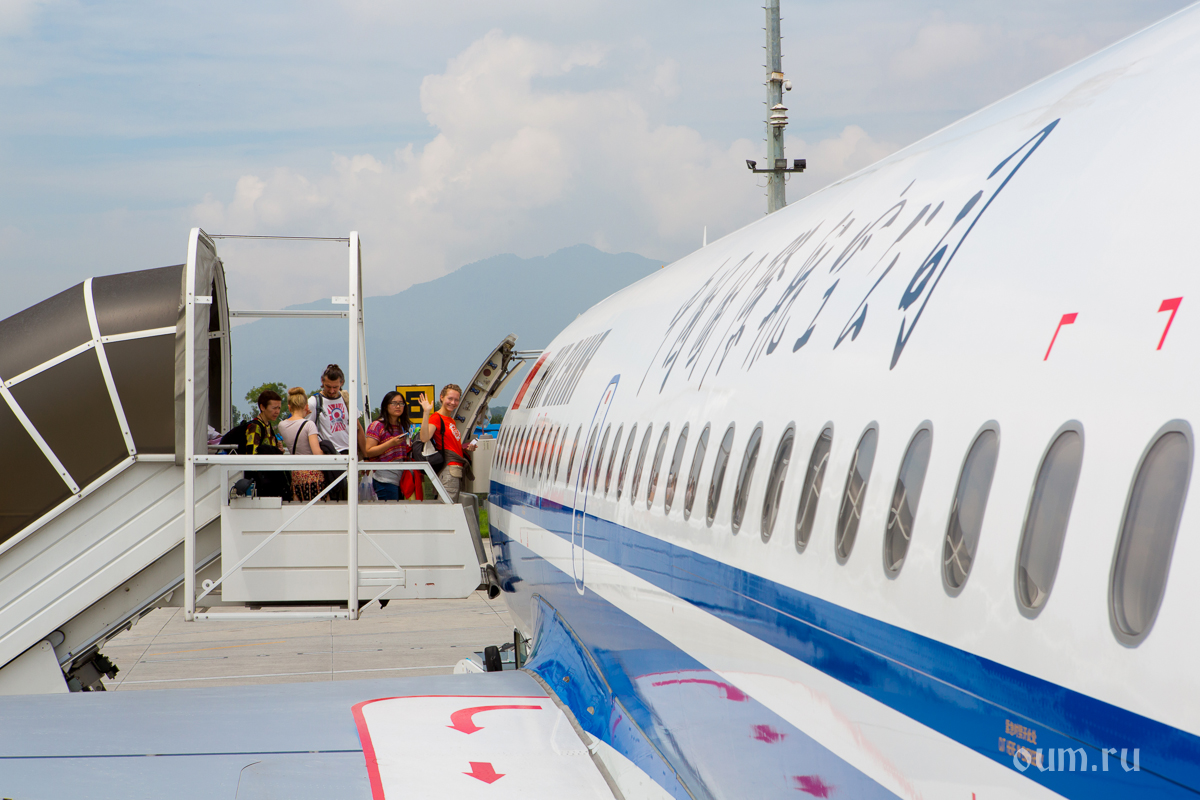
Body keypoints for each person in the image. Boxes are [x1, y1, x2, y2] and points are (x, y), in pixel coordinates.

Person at [418, 384, 476, 504]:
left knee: (450, 504)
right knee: (447, 506)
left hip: (455, 469)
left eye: (456, 400)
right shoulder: (436, 418)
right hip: (449, 469)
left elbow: (451, 445)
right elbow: (424, 437)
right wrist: (426, 412)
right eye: (450, 398)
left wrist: (466, 448)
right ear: (442, 397)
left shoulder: (451, 420)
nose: (453, 402)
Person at [365, 390, 423, 501]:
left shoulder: (401, 426)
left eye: (401, 403)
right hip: (384, 478)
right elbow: (369, 451)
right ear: (386, 406)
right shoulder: (377, 425)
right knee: (389, 510)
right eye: (394, 403)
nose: (398, 406)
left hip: (400, 478)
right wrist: (391, 443)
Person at [308, 365, 351, 500]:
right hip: (329, 454)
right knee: (334, 496)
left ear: (341, 383)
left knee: (348, 496)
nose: (332, 391)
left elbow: (357, 428)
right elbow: (306, 428)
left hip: (348, 453)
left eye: (335, 387)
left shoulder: (346, 399)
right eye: (328, 386)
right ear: (322, 381)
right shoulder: (314, 402)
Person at [279, 386, 324, 502]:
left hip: (296, 475)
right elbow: (317, 453)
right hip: (313, 475)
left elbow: (295, 423)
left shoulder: (282, 425)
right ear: (306, 406)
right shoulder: (309, 425)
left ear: (289, 407)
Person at [244, 389, 287, 497]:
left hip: (269, 478)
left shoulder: (267, 425)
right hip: (262, 482)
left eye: (279, 408)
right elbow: (252, 455)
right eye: (274, 408)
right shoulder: (255, 427)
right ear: (262, 407)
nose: (277, 411)